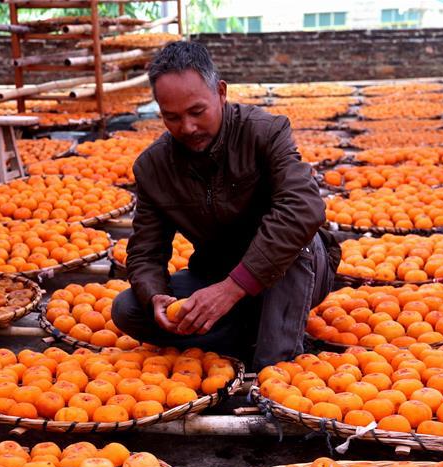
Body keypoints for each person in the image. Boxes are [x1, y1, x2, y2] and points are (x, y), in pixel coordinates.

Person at [111, 41, 340, 370]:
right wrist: (156, 295)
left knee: (293, 240)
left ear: (220, 92)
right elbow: (145, 253)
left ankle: (273, 364)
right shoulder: (153, 167)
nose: (187, 128)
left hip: (293, 271)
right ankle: (249, 332)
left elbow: (304, 208)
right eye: (171, 117)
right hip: (216, 273)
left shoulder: (264, 132)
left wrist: (233, 288)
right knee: (129, 309)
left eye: (197, 112)